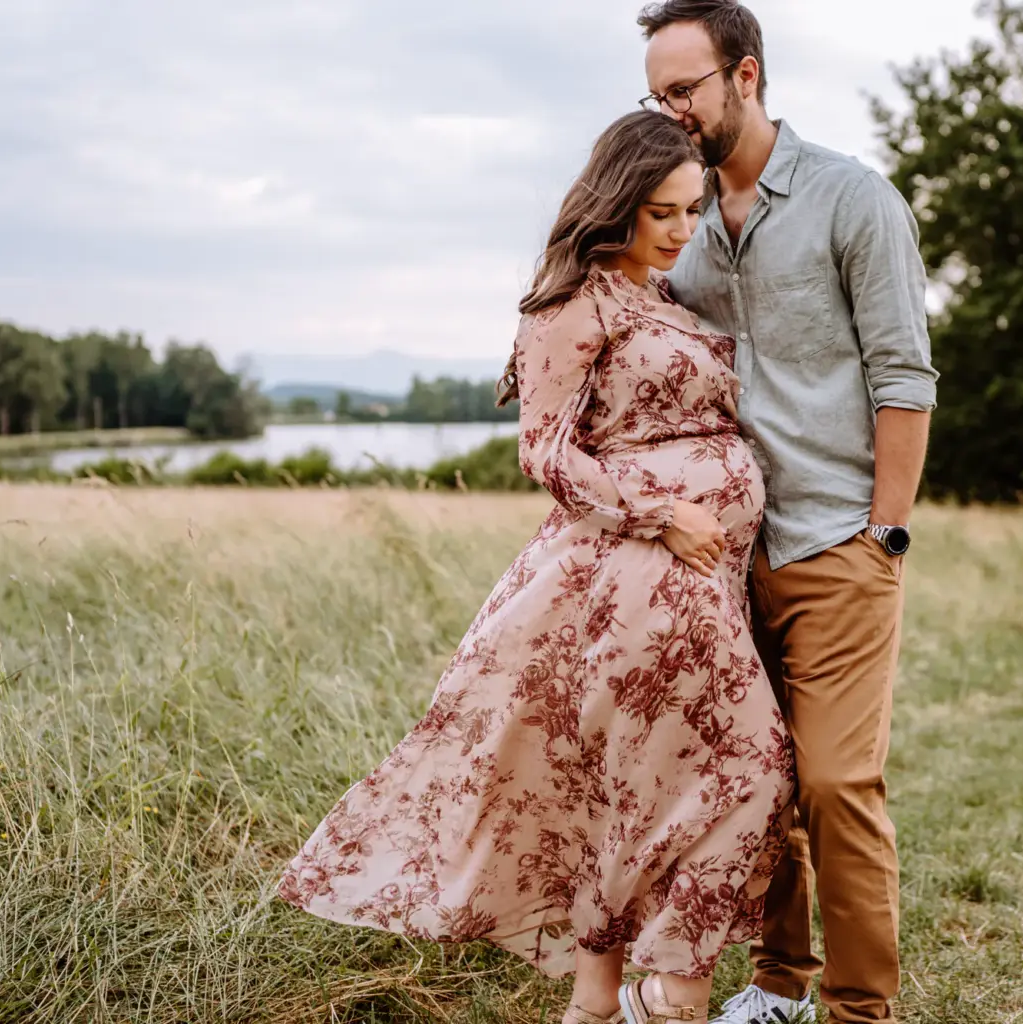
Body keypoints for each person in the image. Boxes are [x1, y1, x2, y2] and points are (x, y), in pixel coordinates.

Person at [277, 110, 795, 1024]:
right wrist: (662, 512)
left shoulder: (665, 301)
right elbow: (547, 455)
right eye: (661, 213)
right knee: (750, 763)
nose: (681, 231)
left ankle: (600, 1005)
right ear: (616, 205)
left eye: (690, 210)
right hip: (640, 574)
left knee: (647, 784)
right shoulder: (573, 303)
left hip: (699, 580)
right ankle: (671, 993)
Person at [637, 3, 939, 1023]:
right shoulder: (677, 233)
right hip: (722, 560)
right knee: (761, 783)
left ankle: (860, 1011)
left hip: (838, 539)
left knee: (837, 785)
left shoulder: (853, 200)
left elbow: (905, 375)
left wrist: (885, 531)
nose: (671, 111)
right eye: (656, 94)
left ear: (747, 76)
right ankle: (778, 987)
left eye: (686, 89)